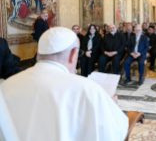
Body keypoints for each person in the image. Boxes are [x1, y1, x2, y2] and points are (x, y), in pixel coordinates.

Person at [0, 27, 128, 140]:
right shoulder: (88, 90)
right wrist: (111, 107)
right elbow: (114, 134)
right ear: (73, 54)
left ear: (38, 53)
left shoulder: (5, 87)